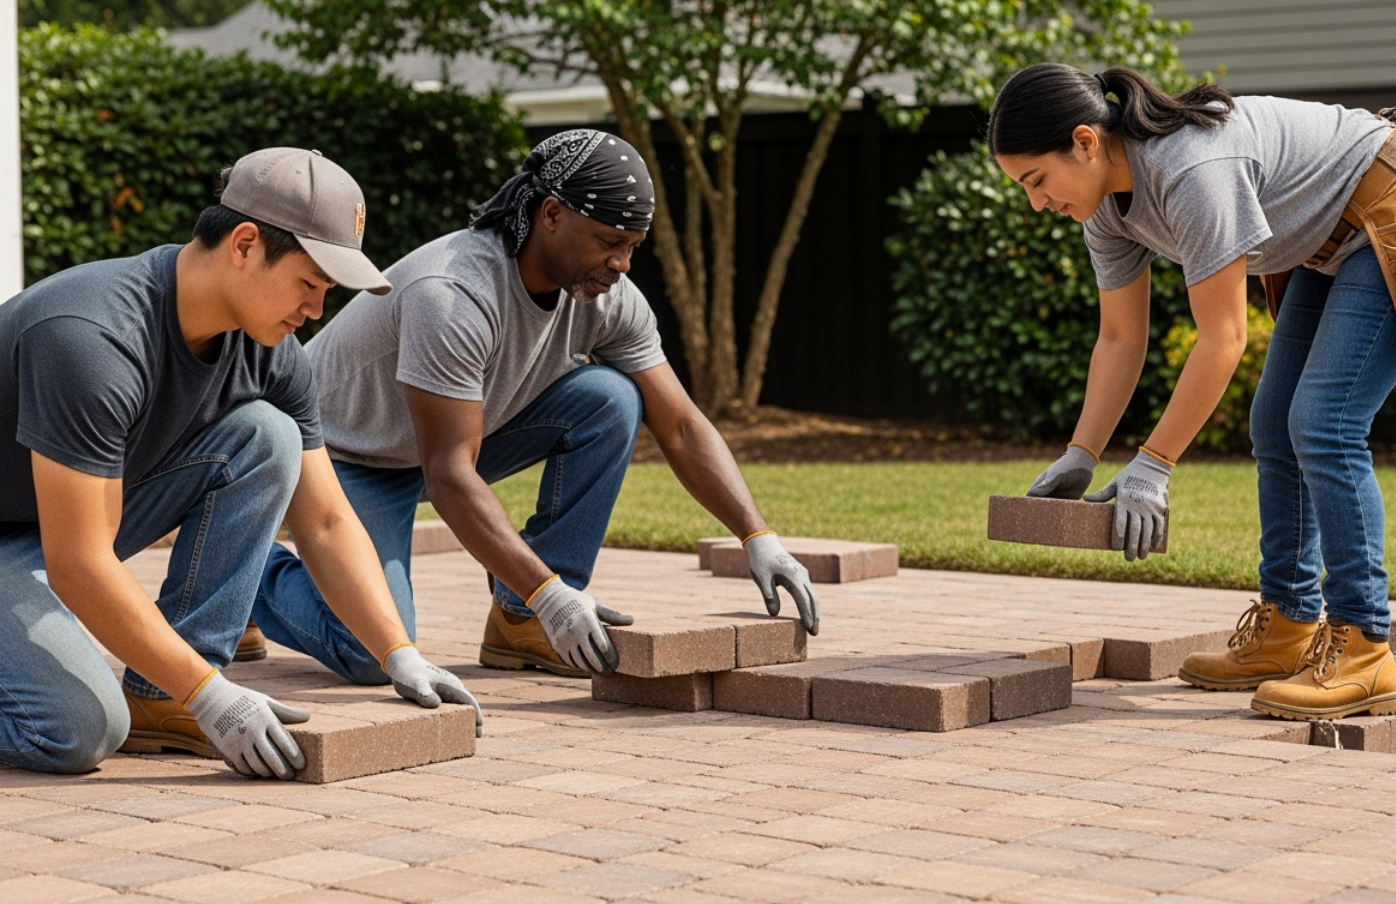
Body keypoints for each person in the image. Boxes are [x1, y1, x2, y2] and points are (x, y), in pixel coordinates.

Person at [252, 129, 819, 681]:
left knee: (611, 398)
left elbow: (682, 425)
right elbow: (449, 476)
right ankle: (247, 580)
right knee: (372, 648)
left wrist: (756, 536)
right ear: (550, 215)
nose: (622, 264)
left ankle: (521, 622)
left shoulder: (607, 296)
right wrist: (552, 594)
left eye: (631, 247)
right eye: (608, 241)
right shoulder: (453, 292)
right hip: (341, 456)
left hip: (447, 446)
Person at [0, 148, 480, 779]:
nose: (315, 311)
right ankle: (186, 688)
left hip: (47, 529)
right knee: (76, 732)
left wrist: (400, 654)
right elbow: (79, 563)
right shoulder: (92, 336)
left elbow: (328, 523)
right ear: (245, 243)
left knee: (267, 435)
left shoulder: (273, 354)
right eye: (308, 285)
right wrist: (215, 698)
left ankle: (163, 694)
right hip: (43, 542)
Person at [993, 63, 1396, 722]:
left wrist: (1152, 467)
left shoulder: (1190, 170)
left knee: (1323, 423)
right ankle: (1288, 627)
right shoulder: (1106, 209)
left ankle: (1366, 648)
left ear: (1084, 142)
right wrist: (1083, 453)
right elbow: (1119, 340)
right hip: (1330, 238)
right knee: (1276, 423)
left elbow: (1222, 338)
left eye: (1036, 181)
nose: (1035, 202)